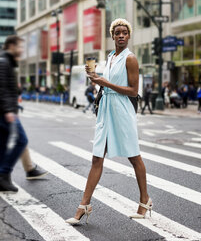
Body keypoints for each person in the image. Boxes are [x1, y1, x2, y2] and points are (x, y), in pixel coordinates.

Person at [66, 18, 152, 225]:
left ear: (128, 36)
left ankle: (145, 201)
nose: (121, 35)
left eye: (124, 32)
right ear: (112, 36)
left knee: (134, 156)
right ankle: (83, 206)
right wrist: (95, 77)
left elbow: (133, 90)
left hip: (122, 111)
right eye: (117, 32)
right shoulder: (111, 56)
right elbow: (108, 83)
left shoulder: (130, 59)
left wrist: (105, 82)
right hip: (106, 110)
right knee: (97, 158)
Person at [0, 35, 46, 193]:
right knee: (21, 140)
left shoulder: (7, 62)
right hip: (5, 111)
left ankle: (3, 178)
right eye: (20, 47)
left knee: (3, 144)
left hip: (6, 110)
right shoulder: (4, 62)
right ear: (11, 46)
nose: (21, 50)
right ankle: (4, 174)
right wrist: (8, 110)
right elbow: (2, 88)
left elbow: (9, 88)